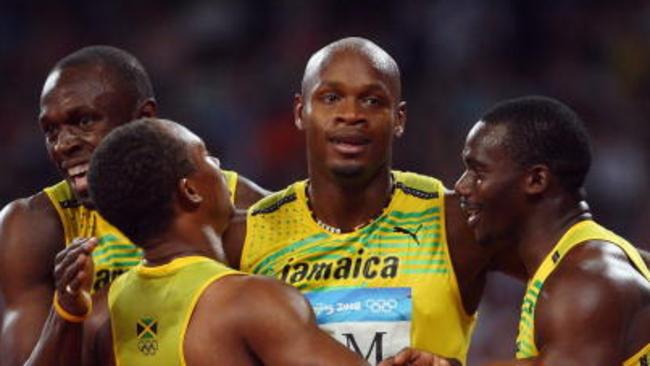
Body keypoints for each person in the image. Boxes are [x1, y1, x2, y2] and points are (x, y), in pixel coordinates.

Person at [0, 46, 268, 365]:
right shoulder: (32, 226)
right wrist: (67, 311)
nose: (63, 144)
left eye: (84, 121)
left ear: (143, 118)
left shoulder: (228, 198)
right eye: (51, 130)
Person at [237, 37, 491, 366]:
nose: (351, 114)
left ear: (399, 119)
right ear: (301, 112)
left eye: (372, 101)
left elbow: (570, 294)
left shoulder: (454, 223)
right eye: (330, 98)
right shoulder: (247, 237)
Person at [53, 117, 364, 365]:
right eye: (204, 156)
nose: (216, 162)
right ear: (190, 190)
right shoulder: (253, 301)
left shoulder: (98, 315)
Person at [452, 96, 649, 365]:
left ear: (536, 180)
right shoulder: (583, 262)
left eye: (479, 172)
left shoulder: (584, 285)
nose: (461, 186)